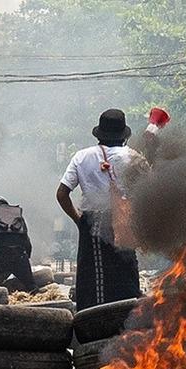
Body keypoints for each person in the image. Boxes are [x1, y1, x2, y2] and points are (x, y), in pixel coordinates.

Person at [56, 109, 142, 311]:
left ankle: (92, 325)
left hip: (93, 224)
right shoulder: (135, 158)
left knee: (94, 278)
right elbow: (146, 195)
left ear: (99, 133)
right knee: (126, 272)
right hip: (125, 224)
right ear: (124, 135)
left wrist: (79, 220)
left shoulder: (81, 157)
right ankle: (128, 324)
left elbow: (62, 194)